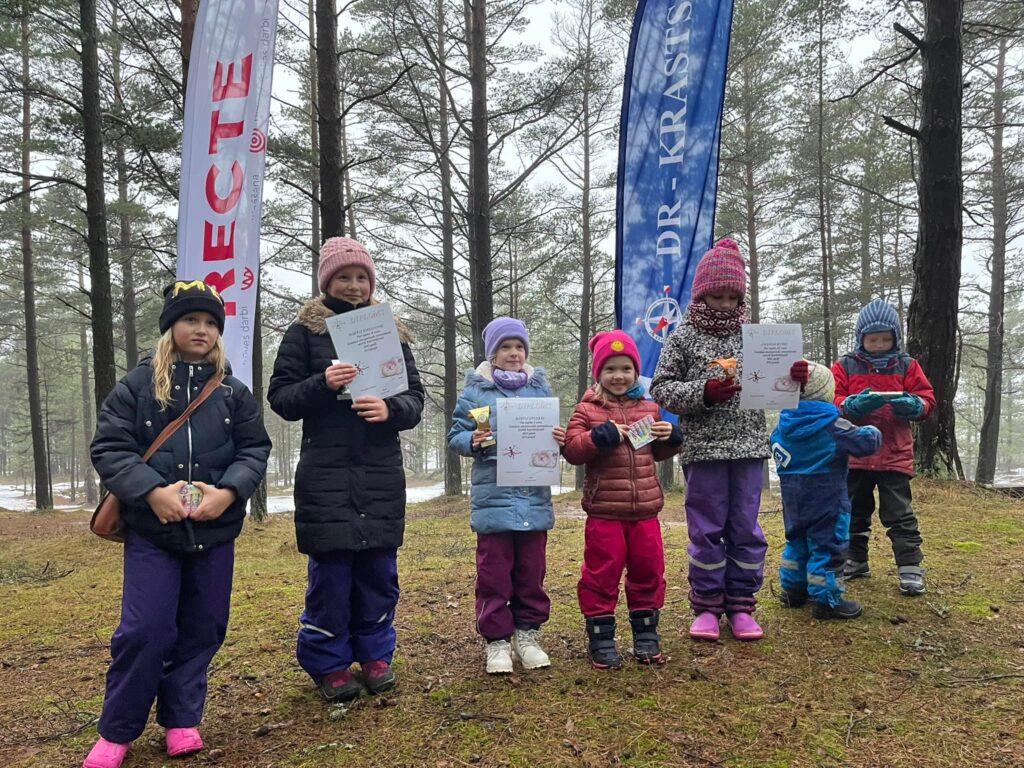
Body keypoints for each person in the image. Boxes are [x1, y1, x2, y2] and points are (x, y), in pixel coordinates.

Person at [85, 280, 271, 768]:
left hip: (215, 532)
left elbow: (255, 450)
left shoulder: (233, 392)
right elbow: (109, 447)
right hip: (154, 532)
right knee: (145, 629)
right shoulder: (137, 385)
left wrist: (229, 493)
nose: (202, 330)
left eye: (211, 323)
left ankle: (182, 719)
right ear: (171, 326)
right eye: (192, 319)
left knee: (203, 626)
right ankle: (117, 731)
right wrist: (151, 492)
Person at [267, 237, 425, 701]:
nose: (353, 286)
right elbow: (281, 399)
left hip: (380, 471)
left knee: (379, 569)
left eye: (361, 277)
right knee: (331, 574)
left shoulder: (390, 331)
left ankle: (376, 654)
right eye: (343, 277)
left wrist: (390, 410)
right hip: (326, 471)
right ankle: (329, 661)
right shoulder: (304, 334)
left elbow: (415, 399)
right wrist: (322, 382)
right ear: (326, 282)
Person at [650, 238, 771, 642]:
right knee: (706, 528)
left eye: (731, 296)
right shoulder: (682, 337)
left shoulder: (755, 337)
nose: (724, 303)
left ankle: (740, 606)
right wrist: (703, 393)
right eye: (716, 295)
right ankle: (705, 606)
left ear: (741, 297)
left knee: (746, 527)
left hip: (750, 447)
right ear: (702, 293)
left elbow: (775, 386)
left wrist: (794, 380)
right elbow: (662, 388)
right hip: (703, 450)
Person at [448, 317, 565, 674]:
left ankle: (527, 636)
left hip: (533, 498)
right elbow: (456, 436)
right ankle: (497, 641)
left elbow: (553, 437)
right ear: (492, 354)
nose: (513, 353)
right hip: (493, 502)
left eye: (519, 347)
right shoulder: (475, 393)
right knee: (494, 573)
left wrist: (558, 438)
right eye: (505, 347)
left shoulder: (540, 391)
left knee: (532, 572)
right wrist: (472, 441)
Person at [562, 330, 682, 668]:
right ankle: (600, 638)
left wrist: (673, 437)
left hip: (645, 510)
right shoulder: (587, 408)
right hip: (605, 512)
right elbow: (572, 450)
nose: (619, 376)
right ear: (598, 373)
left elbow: (656, 453)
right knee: (601, 573)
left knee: (648, 570)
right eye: (610, 369)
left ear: (636, 371)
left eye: (626, 368)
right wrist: (596, 438)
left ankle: (646, 635)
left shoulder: (650, 406)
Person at [832, 298, 935, 596]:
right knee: (852, 512)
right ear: (861, 337)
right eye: (872, 338)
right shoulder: (845, 365)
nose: (878, 344)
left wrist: (913, 406)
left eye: (885, 338)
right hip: (855, 454)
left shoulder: (908, 365)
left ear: (895, 337)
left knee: (900, 515)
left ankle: (910, 567)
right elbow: (830, 400)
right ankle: (855, 560)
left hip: (894, 454)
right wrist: (850, 405)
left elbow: (927, 401)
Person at [771, 361, 882, 619]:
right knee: (828, 546)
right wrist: (874, 430)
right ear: (825, 392)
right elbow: (866, 442)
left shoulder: (782, 427)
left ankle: (792, 590)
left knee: (796, 542)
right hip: (828, 498)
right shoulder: (833, 425)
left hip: (793, 500)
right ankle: (826, 599)